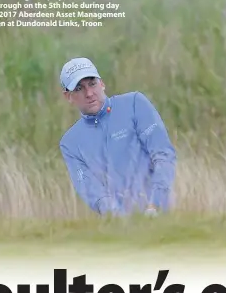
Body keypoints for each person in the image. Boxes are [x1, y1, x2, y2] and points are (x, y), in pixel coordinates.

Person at [58, 57, 177, 217]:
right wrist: (119, 219)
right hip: (118, 226)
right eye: (79, 88)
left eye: (92, 83)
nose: (89, 93)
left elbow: (163, 155)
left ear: (102, 83)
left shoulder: (134, 104)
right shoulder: (70, 143)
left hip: (160, 214)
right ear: (69, 97)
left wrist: (154, 204)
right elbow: (90, 189)